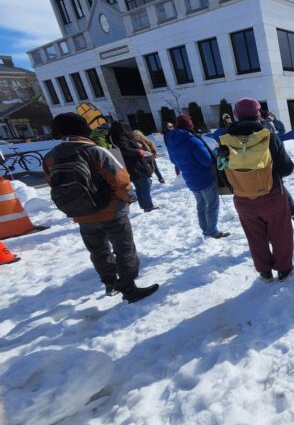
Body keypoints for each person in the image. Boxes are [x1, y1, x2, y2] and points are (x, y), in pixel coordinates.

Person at [43, 113, 159, 302]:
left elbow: (53, 184)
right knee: (124, 248)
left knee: (98, 250)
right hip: (111, 210)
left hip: (81, 212)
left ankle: (110, 283)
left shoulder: (51, 157)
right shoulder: (95, 151)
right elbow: (120, 180)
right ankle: (128, 287)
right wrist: (127, 200)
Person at [219, 98, 294, 281]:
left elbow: (221, 171)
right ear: (258, 113)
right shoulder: (268, 136)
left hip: (243, 198)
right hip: (272, 195)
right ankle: (284, 269)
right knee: (280, 232)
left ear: (236, 115)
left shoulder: (225, 141)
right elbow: (286, 168)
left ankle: (264, 271)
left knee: (255, 236)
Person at [165, 114, 230, 239]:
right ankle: (212, 231)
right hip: (204, 178)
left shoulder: (171, 140)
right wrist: (215, 153)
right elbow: (207, 161)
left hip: (190, 178)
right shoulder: (192, 140)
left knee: (200, 205)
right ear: (190, 124)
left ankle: (206, 230)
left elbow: (173, 160)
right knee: (212, 205)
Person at [110, 121, 156, 213]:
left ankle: (144, 205)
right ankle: (148, 206)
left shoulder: (114, 137)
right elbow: (125, 149)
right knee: (145, 185)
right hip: (136, 165)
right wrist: (138, 151)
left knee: (139, 187)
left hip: (131, 166)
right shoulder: (121, 137)